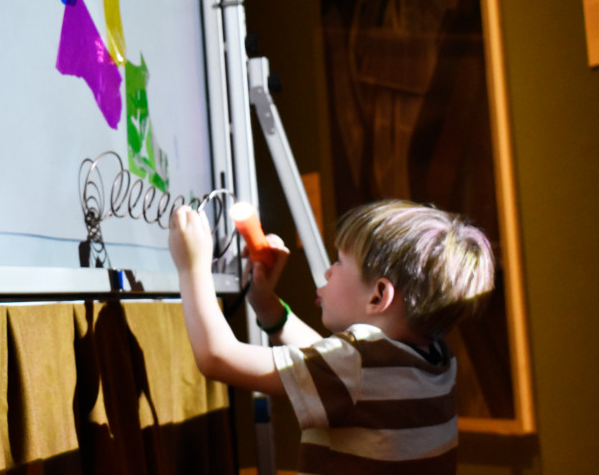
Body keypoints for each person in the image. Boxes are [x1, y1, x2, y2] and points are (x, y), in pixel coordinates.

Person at [168, 199, 495, 474]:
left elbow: (216, 357)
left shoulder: (357, 365)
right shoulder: (435, 358)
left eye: (338, 262)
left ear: (378, 297)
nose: (328, 271)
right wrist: (266, 304)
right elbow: (329, 363)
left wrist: (192, 267)